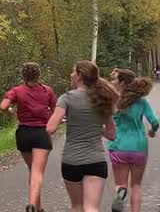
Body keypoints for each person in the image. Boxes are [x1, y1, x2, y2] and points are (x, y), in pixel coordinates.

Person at [47, 60, 119, 212]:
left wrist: (67, 120)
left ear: (79, 76)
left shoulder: (66, 98)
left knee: (77, 206)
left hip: (72, 160)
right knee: (92, 207)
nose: (71, 75)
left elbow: (51, 128)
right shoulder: (103, 99)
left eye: (73, 72)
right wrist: (95, 127)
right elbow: (112, 135)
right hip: (96, 160)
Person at [0, 62, 56, 212]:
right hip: (41, 133)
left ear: (23, 76)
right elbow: (56, 111)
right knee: (37, 172)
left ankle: (38, 207)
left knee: (33, 170)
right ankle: (32, 204)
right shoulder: (48, 91)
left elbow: (3, 106)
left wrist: (11, 111)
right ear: (39, 75)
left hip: (24, 133)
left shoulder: (16, 91)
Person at [108, 69, 158, 212]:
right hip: (139, 147)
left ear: (122, 83)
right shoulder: (142, 102)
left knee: (120, 184)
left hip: (118, 146)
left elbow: (106, 121)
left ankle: (121, 193)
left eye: (114, 79)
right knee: (136, 185)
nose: (112, 82)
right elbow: (155, 122)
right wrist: (152, 131)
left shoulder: (114, 101)